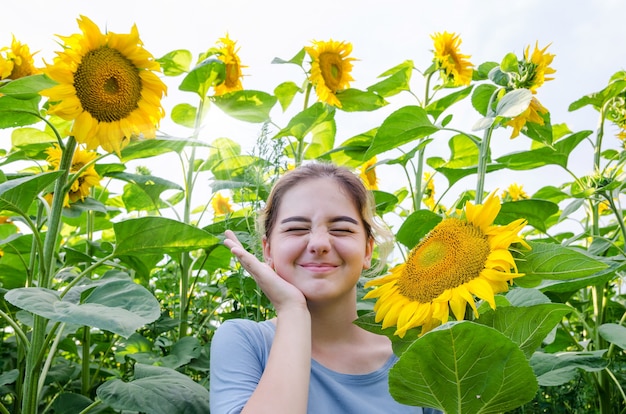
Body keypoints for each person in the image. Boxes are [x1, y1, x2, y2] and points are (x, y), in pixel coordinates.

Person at [210, 162, 440, 414]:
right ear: (268, 250)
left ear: (367, 250)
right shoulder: (247, 343)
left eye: (341, 229)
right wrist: (292, 311)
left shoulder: (413, 354)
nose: (319, 244)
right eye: (296, 229)